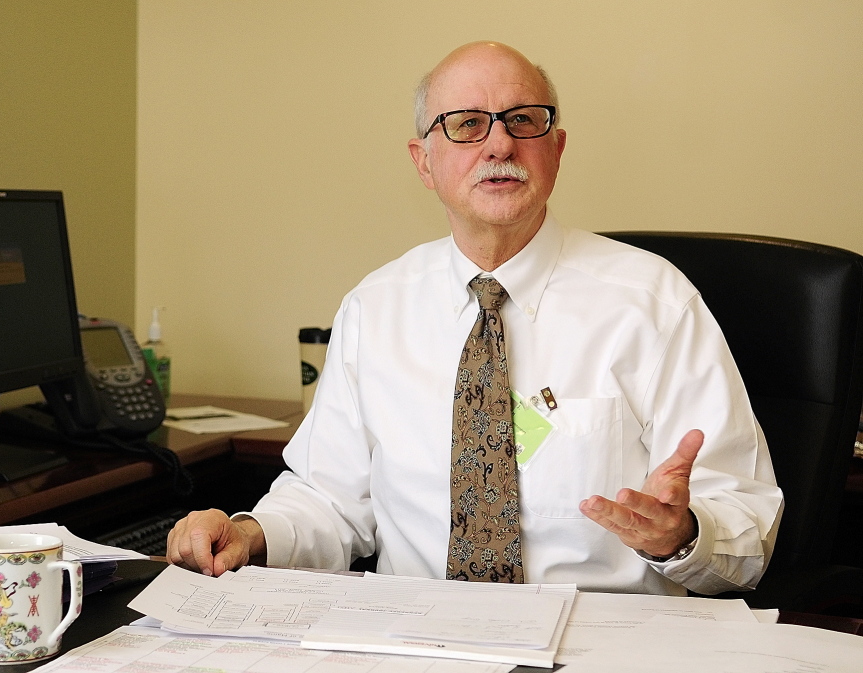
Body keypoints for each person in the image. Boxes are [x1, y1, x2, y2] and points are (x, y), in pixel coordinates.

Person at [168, 41, 783, 596]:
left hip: (601, 644)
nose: (500, 145)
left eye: (524, 120)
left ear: (556, 149)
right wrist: (249, 534)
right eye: (466, 124)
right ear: (423, 162)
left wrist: (682, 535)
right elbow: (330, 501)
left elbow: (746, 526)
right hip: (419, 643)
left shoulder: (655, 303)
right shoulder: (374, 308)